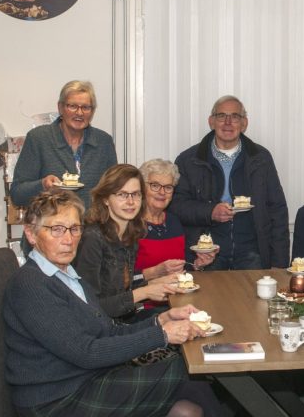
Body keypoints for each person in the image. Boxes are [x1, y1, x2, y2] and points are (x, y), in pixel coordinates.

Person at [3, 189, 223, 416]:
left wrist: (160, 320)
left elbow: (108, 331)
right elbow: (86, 352)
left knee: (188, 409)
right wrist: (163, 334)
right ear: (31, 234)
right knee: (185, 370)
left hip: (86, 379)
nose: (68, 240)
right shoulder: (30, 284)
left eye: (75, 228)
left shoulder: (68, 275)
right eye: (56, 229)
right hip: (56, 400)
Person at [170, 95, 289, 270]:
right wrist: (210, 211)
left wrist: (279, 263)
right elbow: (176, 206)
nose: (228, 122)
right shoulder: (188, 160)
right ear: (211, 121)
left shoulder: (261, 158)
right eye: (221, 116)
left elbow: (277, 209)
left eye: (235, 117)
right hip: (206, 255)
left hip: (252, 252)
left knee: (251, 298)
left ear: (244, 123)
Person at [74, 164, 182, 320]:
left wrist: (155, 283)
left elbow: (121, 290)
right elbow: (90, 309)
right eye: (122, 195)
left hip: (122, 319)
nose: (131, 202)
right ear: (105, 199)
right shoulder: (91, 238)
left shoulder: (130, 232)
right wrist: (144, 292)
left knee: (184, 316)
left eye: (136, 194)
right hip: (102, 330)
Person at [11, 80, 117, 209]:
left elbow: (114, 190)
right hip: (50, 226)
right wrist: (43, 185)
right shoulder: (38, 138)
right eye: (72, 106)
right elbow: (17, 195)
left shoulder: (104, 142)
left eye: (85, 107)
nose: (79, 113)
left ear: (92, 111)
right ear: (60, 108)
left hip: (93, 227)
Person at [136, 159, 217, 281]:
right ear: (142, 187)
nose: (162, 192)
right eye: (155, 186)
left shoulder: (174, 222)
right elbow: (120, 282)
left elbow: (183, 267)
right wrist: (154, 272)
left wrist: (197, 264)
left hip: (177, 297)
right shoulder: (130, 224)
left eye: (168, 187)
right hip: (142, 298)